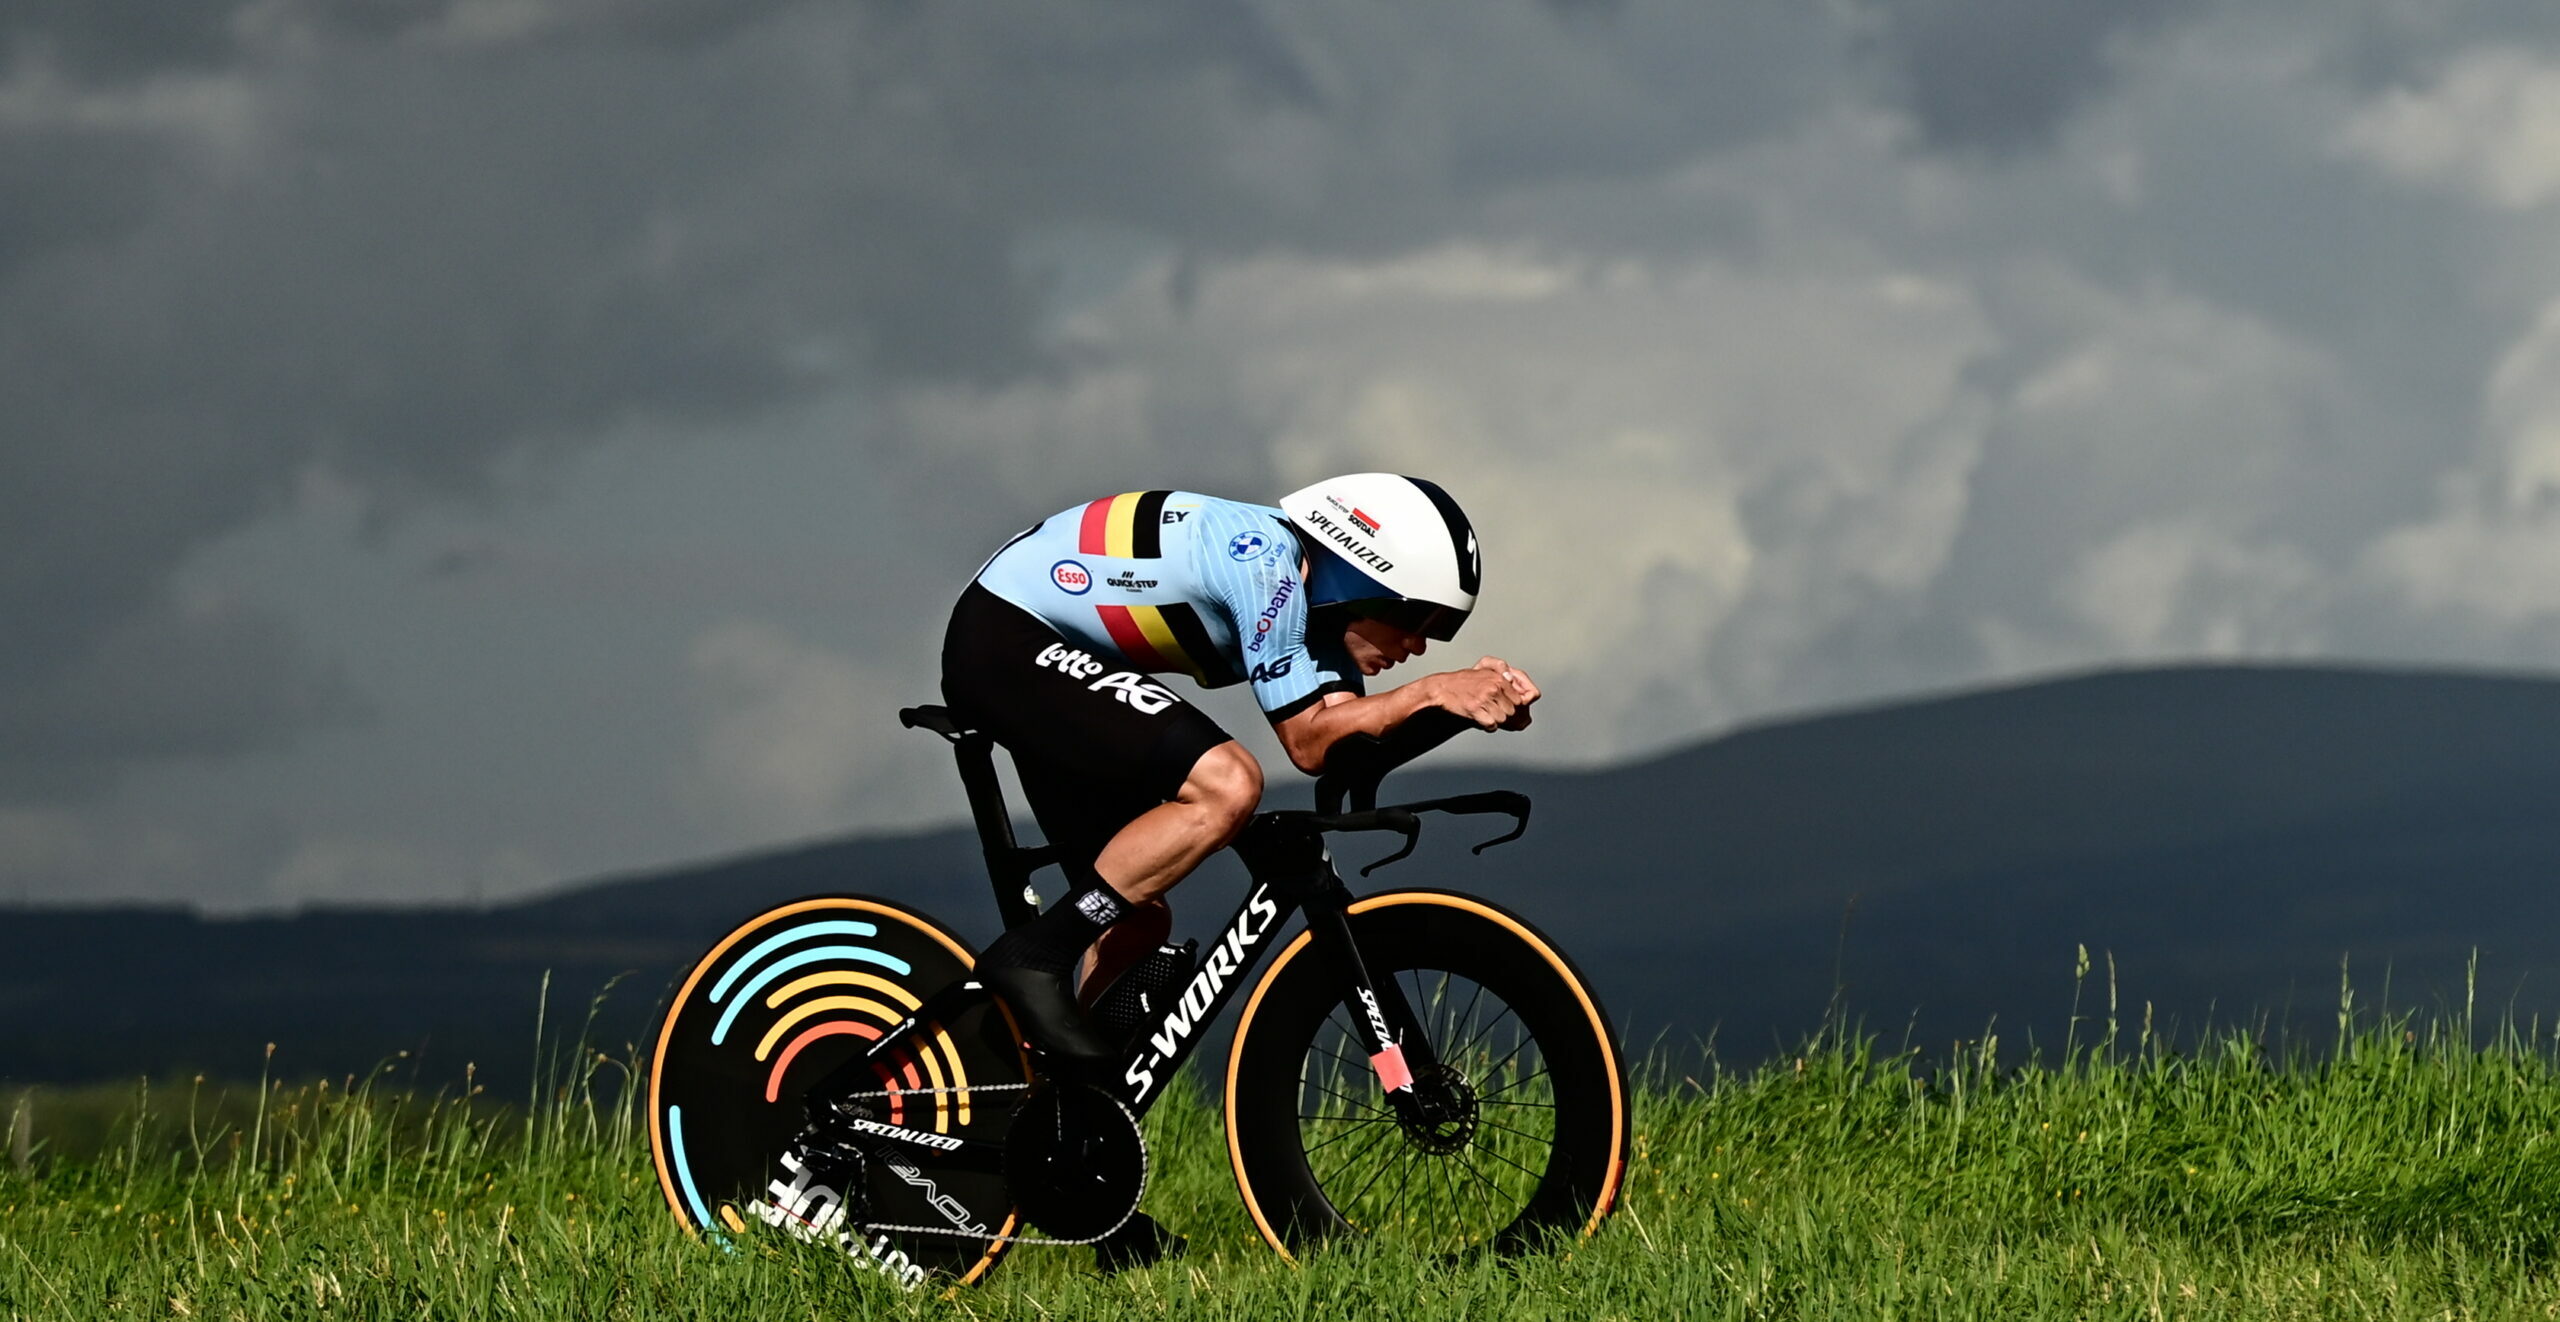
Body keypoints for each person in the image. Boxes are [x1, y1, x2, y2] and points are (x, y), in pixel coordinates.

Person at [944, 474, 1539, 1057]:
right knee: (1228, 782)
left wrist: (1462, 709)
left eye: (1442, 631)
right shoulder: (1262, 562)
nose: (1420, 647)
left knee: (1137, 920)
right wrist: (1432, 690)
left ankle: (1066, 1104)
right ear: (1361, 578)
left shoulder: (1321, 622)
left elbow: (1343, 750)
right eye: (1418, 620)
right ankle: (1031, 959)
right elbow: (1305, 743)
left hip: (1049, 658)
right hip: (1005, 635)